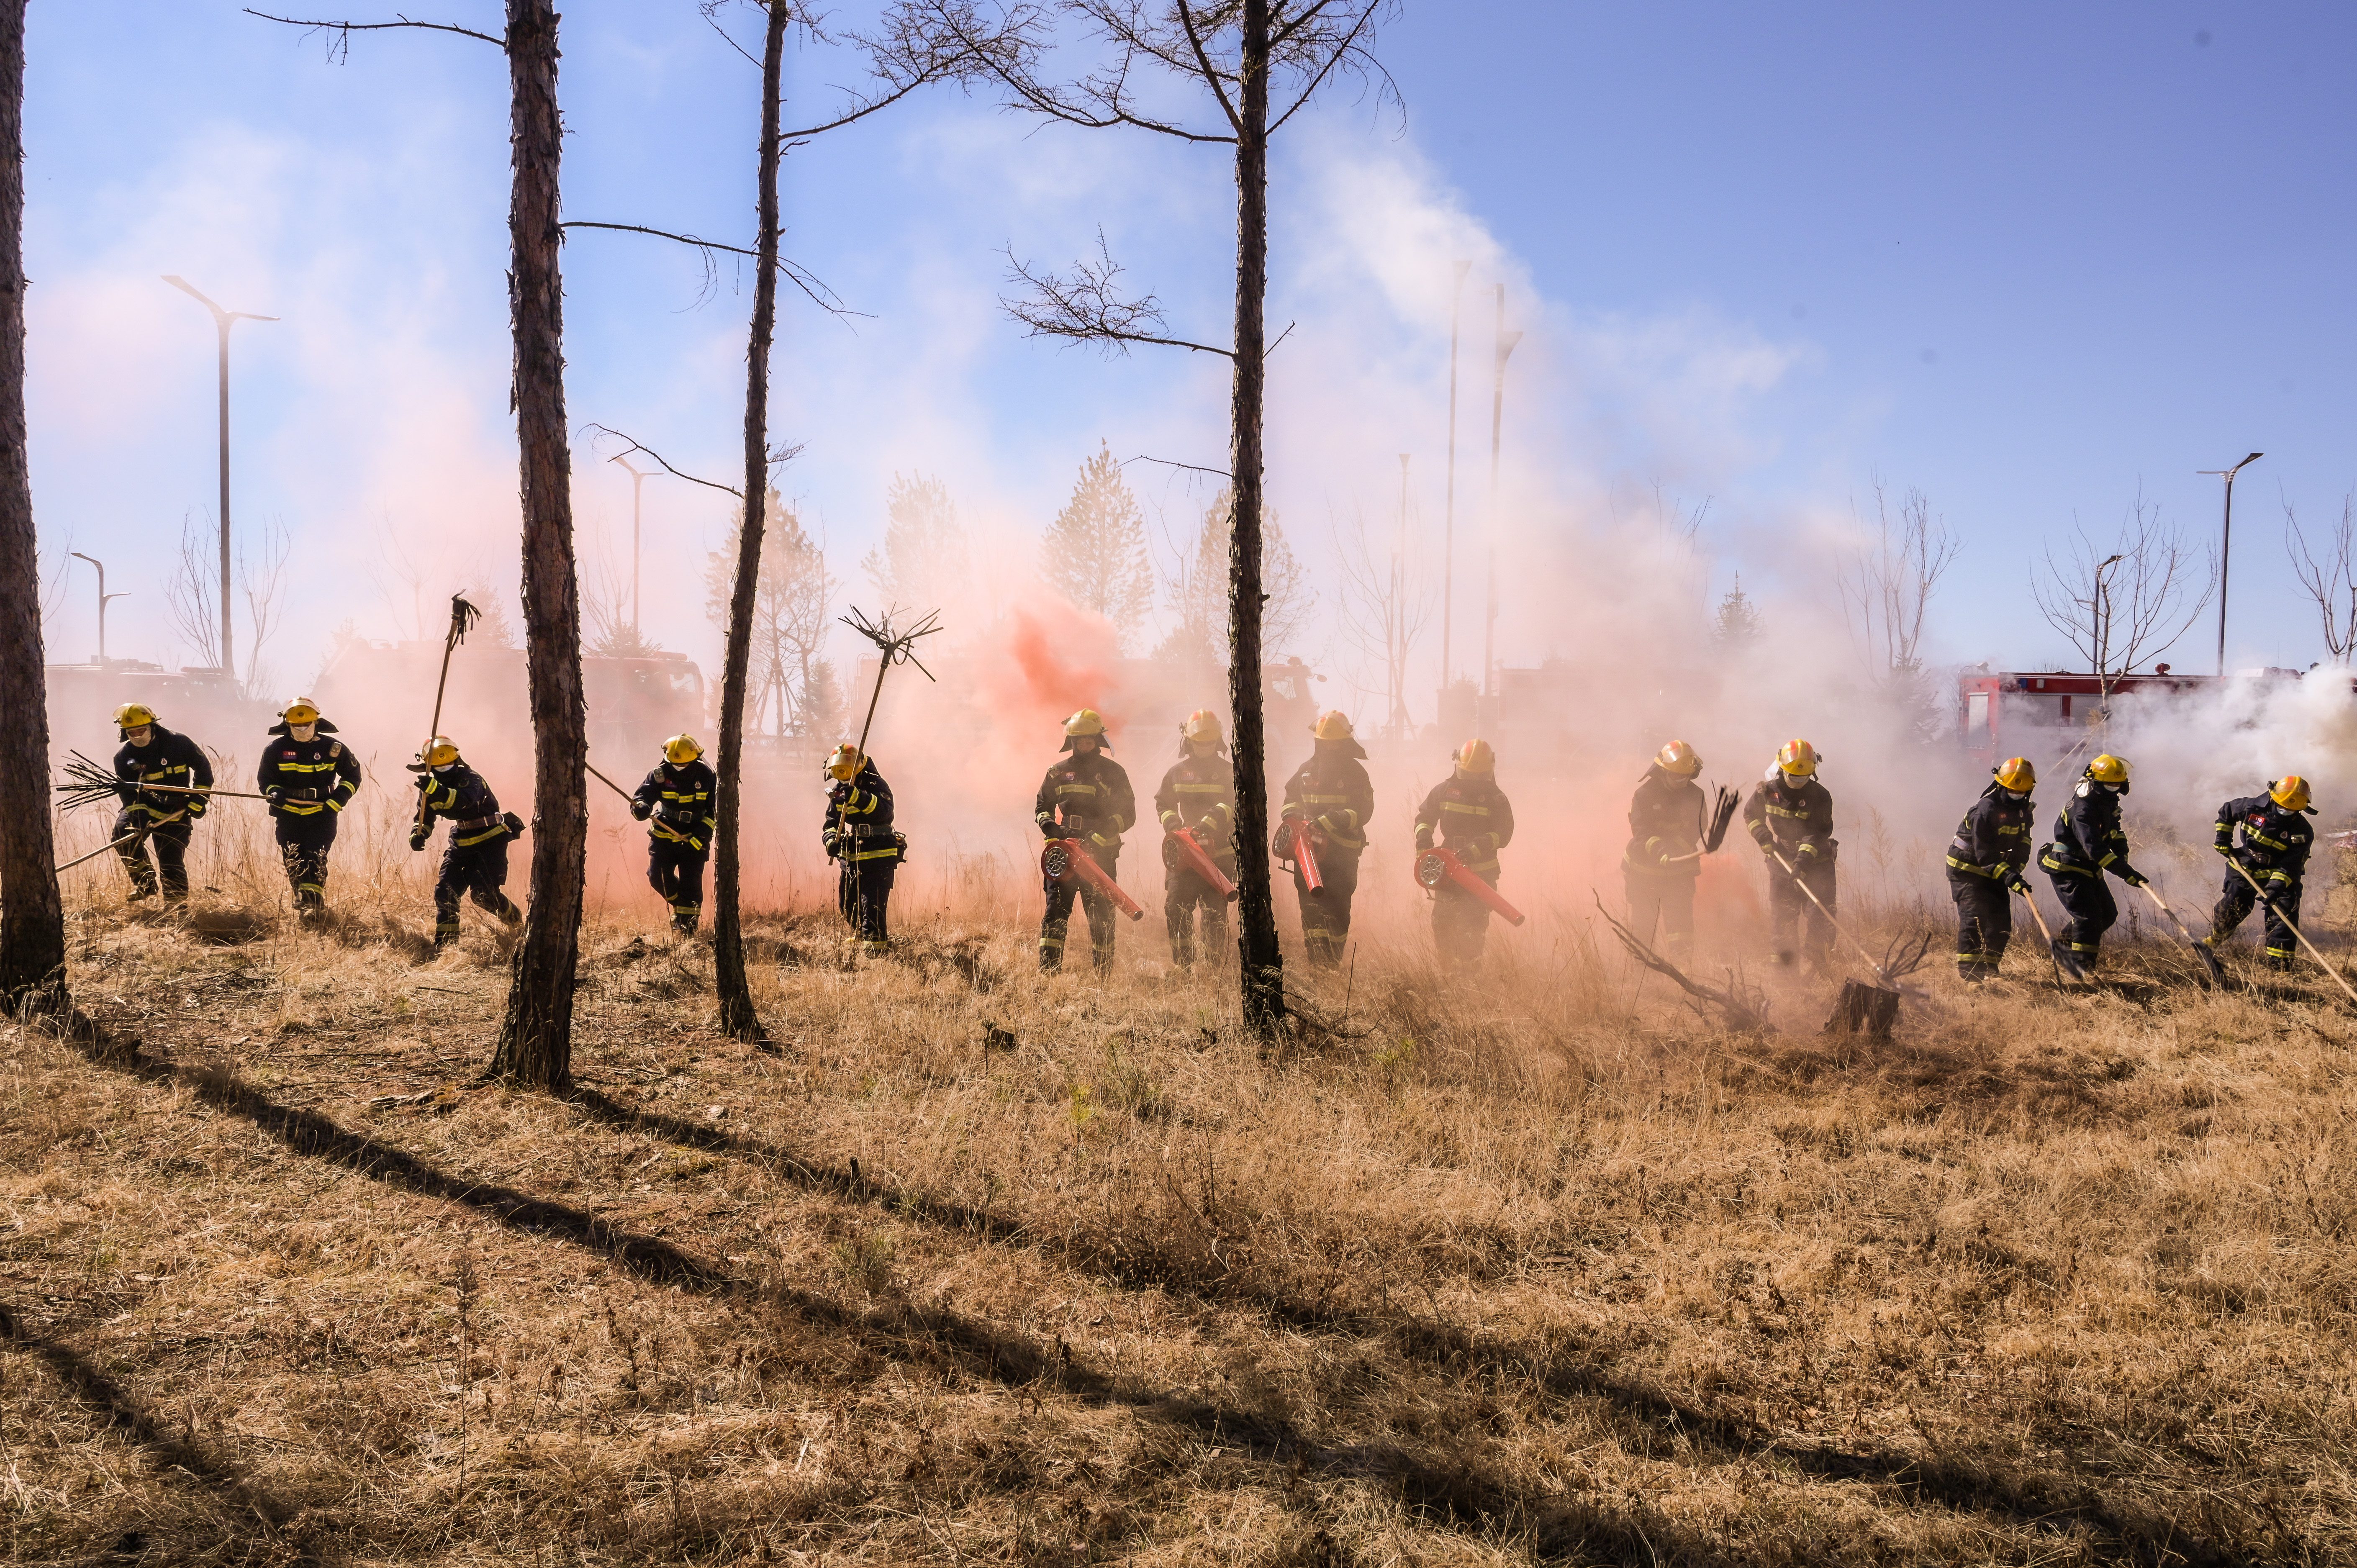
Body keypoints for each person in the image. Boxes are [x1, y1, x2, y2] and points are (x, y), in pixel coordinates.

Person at [1033, 708, 1135, 974]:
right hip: (1065, 852)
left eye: (1089, 739)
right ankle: (1048, 973)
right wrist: (1048, 824)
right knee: (1056, 912)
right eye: (1080, 740)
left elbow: (1128, 814)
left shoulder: (1114, 772)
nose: (1085, 744)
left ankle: (1103, 977)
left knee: (1101, 915)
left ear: (1098, 740)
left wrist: (1100, 838)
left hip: (1099, 854)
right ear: (1072, 741)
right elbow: (1043, 803)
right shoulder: (1057, 772)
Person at [1278, 709, 1374, 967]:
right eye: (1325, 744)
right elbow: (1290, 802)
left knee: (1338, 908)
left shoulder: (1356, 773)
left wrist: (1331, 821)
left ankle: (1332, 961)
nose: (1329, 749)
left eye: (1334, 744)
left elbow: (1364, 812)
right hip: (1308, 852)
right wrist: (1294, 820)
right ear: (1318, 743)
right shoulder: (1306, 770)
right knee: (1310, 907)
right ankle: (1317, 963)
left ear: (1345, 742)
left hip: (1342, 853)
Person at [2037, 752, 2148, 973]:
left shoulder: (2105, 802)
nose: (2114, 789)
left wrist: (2122, 854)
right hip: (2069, 867)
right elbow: (2095, 849)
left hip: (2089, 869)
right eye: (2109, 785)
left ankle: (2065, 944)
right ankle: (2082, 968)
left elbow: (2115, 833)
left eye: (2118, 784)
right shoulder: (2083, 809)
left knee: (2107, 915)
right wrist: (2126, 872)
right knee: (2088, 917)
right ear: (2095, 782)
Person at [407, 736, 522, 949]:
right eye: (438, 767)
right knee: (445, 893)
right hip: (461, 844)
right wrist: (419, 834)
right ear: (428, 767)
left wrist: (436, 790)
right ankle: (446, 949)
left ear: (457, 760)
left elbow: (463, 801)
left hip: (490, 841)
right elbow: (423, 817)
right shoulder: (430, 788)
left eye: (447, 765)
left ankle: (518, 925)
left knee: (484, 896)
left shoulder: (471, 778)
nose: (444, 770)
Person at [1412, 738, 1515, 970]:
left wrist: (1475, 849)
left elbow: (1504, 834)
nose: (1473, 781)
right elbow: (1424, 818)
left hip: (1481, 877)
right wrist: (1424, 841)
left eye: (1478, 776)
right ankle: (1447, 972)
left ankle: (1469, 979)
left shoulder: (1497, 800)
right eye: (1468, 774)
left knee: (1473, 929)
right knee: (1443, 924)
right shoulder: (1444, 791)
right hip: (1448, 874)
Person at [257, 698, 362, 917]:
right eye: (296, 725)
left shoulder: (333, 749)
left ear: (317, 722)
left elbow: (353, 776)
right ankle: (303, 899)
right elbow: (266, 779)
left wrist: (337, 800)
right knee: (292, 857)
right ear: (287, 725)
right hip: (289, 813)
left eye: (306, 725)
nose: (301, 729)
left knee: (316, 855)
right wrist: (275, 792)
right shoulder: (275, 750)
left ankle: (314, 905)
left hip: (322, 812)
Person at [2202, 775, 2317, 970]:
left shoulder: (2302, 830)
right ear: (2272, 798)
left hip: (2280, 874)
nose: (2285, 812)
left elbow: (2292, 864)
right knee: (2232, 906)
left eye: (2291, 810)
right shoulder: (2252, 807)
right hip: (2246, 863)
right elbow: (2228, 811)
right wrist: (2223, 838)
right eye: (2282, 807)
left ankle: (2281, 967)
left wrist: (2276, 887)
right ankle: (2215, 939)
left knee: (2283, 915)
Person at [1155, 709, 1237, 971]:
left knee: (1215, 913)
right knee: (1176, 908)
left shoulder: (1229, 772)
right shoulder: (1177, 773)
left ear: (1218, 741)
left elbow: (1237, 802)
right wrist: (1173, 824)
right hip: (1184, 855)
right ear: (1189, 741)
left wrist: (1214, 818)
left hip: (1219, 855)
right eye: (1200, 741)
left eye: (1210, 741)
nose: (1205, 746)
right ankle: (1184, 967)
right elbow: (1163, 803)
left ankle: (1214, 969)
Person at [1743, 738, 1836, 967]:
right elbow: (1751, 816)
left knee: (1820, 918)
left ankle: (1819, 970)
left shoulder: (1821, 796)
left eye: (1803, 777)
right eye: (1793, 776)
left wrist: (1802, 862)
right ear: (1782, 769)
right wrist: (1764, 839)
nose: (1798, 781)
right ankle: (1785, 976)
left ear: (1812, 772)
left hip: (1817, 863)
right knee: (1783, 918)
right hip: (1781, 860)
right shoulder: (1767, 791)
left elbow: (1817, 833)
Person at [109, 702, 213, 906]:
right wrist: (140, 817)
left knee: (171, 861)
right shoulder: (123, 758)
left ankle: (177, 911)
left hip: (176, 810)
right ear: (125, 732)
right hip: (143, 806)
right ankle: (145, 883)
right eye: (132, 732)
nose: (138, 735)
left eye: (142, 730)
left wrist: (198, 799)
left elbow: (204, 770)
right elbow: (129, 794)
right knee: (123, 835)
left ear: (153, 726)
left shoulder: (179, 744)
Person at [1944, 756, 2037, 981]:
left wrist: (2015, 871)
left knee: (2000, 922)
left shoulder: (2024, 810)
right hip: (1968, 869)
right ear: (2001, 785)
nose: (2018, 796)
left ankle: (1991, 969)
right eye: (2013, 791)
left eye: (2023, 792)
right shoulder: (1985, 810)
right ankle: (1971, 976)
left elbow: (2024, 843)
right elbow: (1984, 853)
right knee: (1974, 919)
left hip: (1995, 869)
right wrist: (2009, 876)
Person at [1621, 739, 1706, 963]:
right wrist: (1660, 850)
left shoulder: (1696, 794)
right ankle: (1642, 975)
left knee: (1681, 926)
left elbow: (1699, 825)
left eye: (1687, 776)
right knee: (1643, 926)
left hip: (1679, 871)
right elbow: (1640, 830)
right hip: (1643, 870)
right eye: (1677, 776)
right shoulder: (1644, 795)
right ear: (1663, 771)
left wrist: (1677, 848)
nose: (1683, 780)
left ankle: (1684, 970)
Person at [631, 734, 716, 936]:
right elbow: (641, 797)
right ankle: (681, 908)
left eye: (685, 765)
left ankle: (687, 932)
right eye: (676, 765)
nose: (680, 769)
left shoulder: (707, 776)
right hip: (664, 835)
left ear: (695, 759)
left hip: (694, 837)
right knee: (657, 877)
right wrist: (641, 808)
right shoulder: (659, 774)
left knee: (691, 884)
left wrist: (701, 836)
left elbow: (713, 811)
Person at [822, 742, 902, 957]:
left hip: (878, 854)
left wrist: (858, 796)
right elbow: (831, 823)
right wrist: (831, 842)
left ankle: (876, 954)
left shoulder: (876, 784)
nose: (841, 775)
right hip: (852, 856)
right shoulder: (839, 792)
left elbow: (885, 812)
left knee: (872, 904)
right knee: (847, 903)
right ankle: (862, 934)